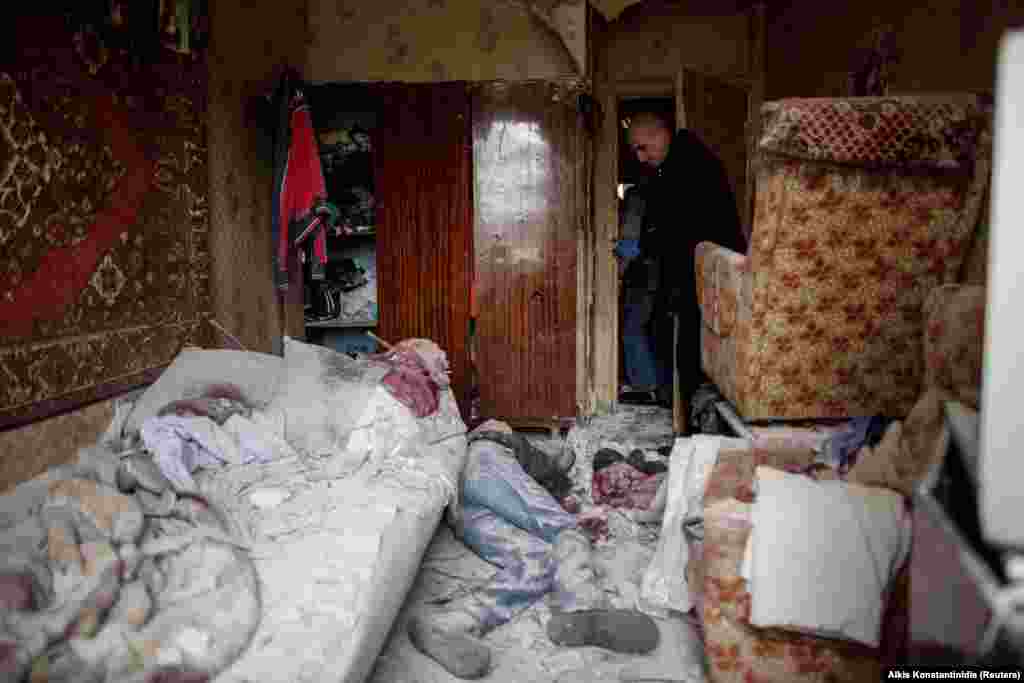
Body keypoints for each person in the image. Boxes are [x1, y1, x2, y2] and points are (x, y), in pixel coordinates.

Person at [406, 420, 659, 679]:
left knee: (539, 560)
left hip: (461, 507)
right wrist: (573, 509)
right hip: (486, 465)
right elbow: (557, 468)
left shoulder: (512, 461)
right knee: (567, 531)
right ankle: (585, 605)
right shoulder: (510, 444)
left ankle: (452, 623)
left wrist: (563, 506)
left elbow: (530, 502)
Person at [624, 112, 747, 416]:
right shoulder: (677, 163)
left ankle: (692, 426)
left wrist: (647, 247)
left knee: (696, 354)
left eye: (642, 147)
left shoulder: (689, 165)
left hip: (709, 276)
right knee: (686, 349)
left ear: (659, 135)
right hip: (702, 274)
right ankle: (687, 420)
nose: (640, 157)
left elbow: (679, 230)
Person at [615, 183, 660, 405]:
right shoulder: (655, 195)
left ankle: (644, 387)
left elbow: (629, 245)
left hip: (643, 274)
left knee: (633, 328)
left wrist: (618, 273)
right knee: (646, 327)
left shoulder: (636, 197)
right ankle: (650, 385)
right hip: (658, 273)